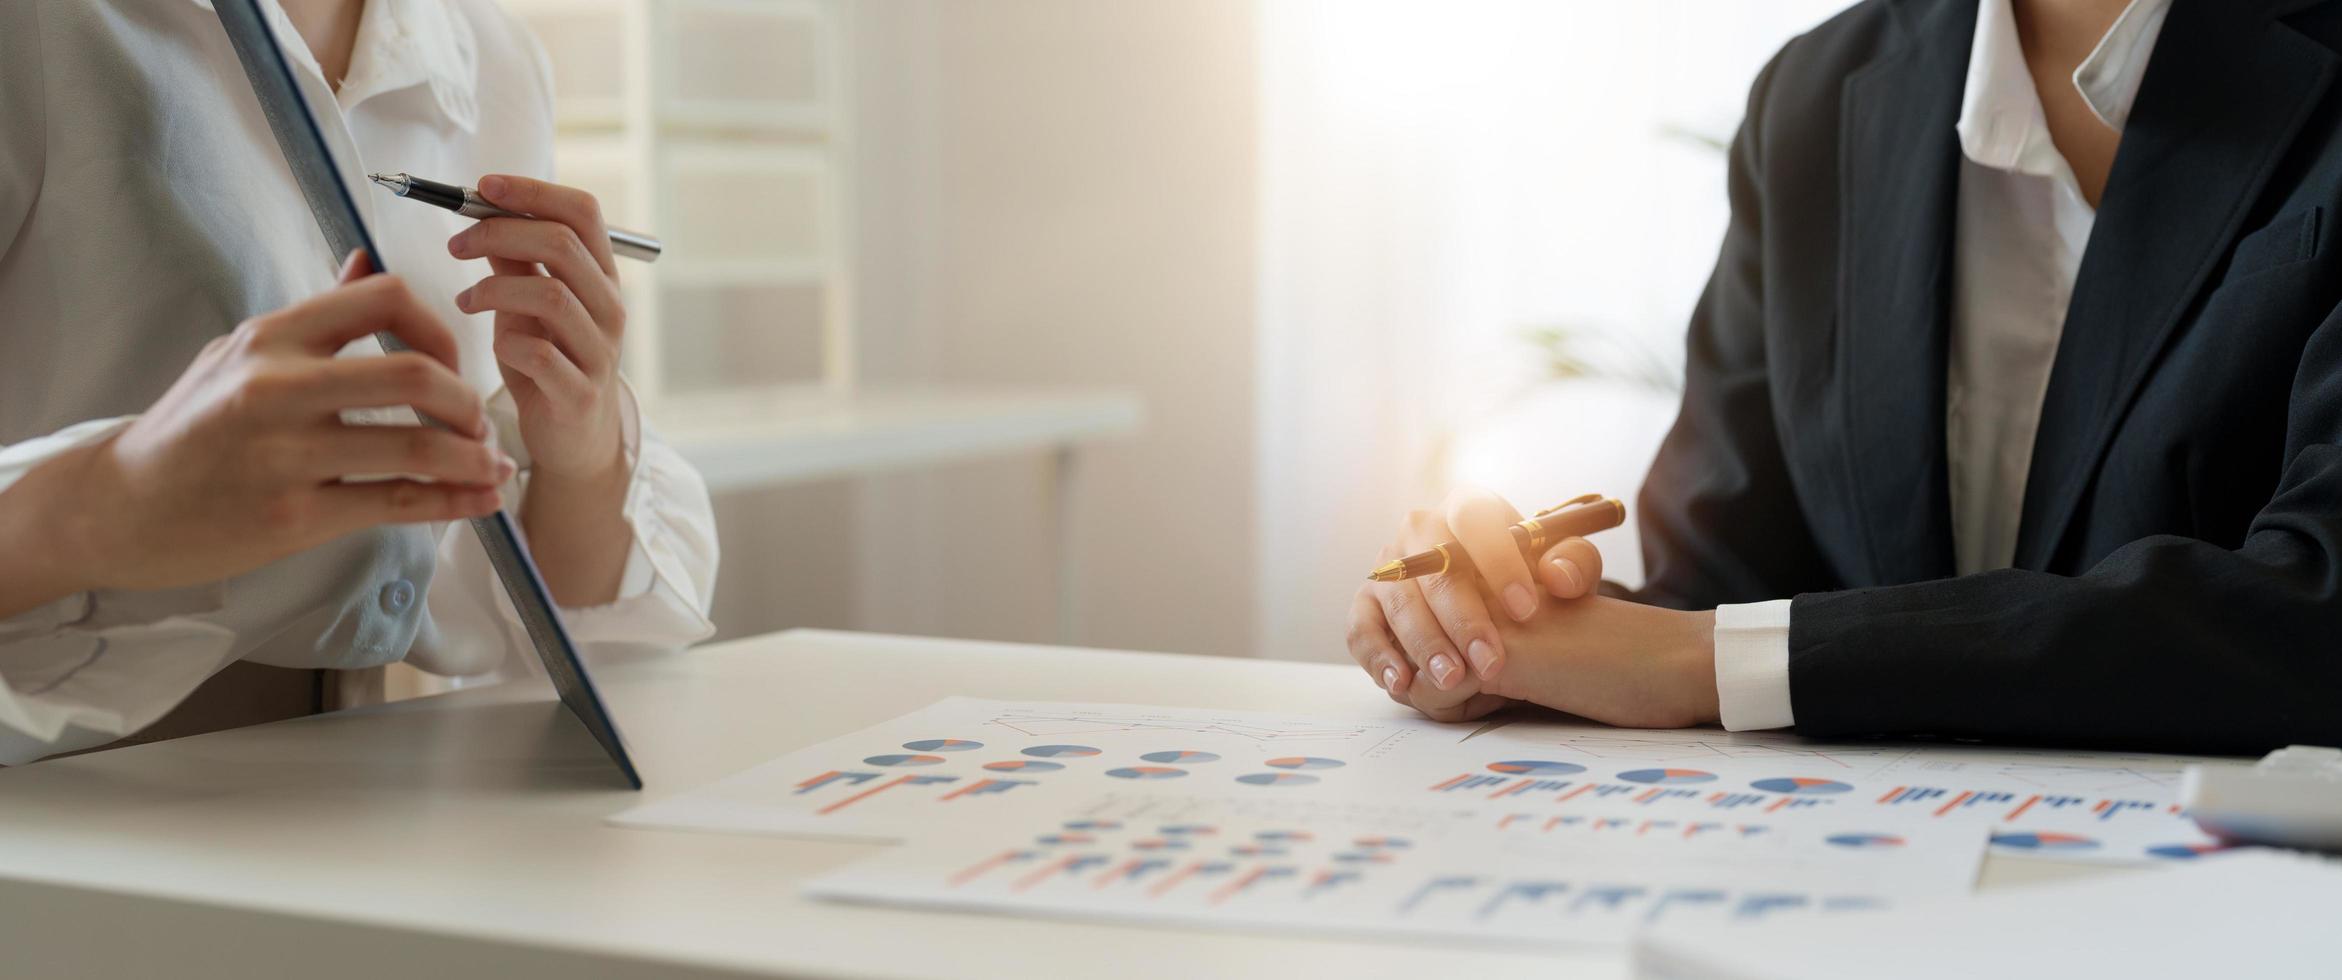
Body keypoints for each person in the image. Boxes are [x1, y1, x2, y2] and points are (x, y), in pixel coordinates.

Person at [1347, 0, 2342, 753]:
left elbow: (2311, 609)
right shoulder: (1815, 98)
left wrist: (1699, 660)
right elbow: (1722, 590)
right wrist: (1500, 637)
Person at [0, 0, 718, 763]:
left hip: (407, 784)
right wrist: (109, 497)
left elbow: (572, 641)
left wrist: (583, 449)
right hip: (68, 797)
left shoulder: (493, 53)